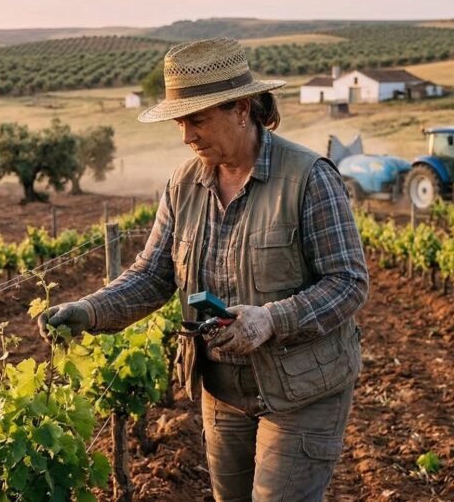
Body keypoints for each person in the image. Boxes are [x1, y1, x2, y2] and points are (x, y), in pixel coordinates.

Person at [38, 37, 368, 502]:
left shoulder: (309, 178)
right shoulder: (183, 183)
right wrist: (89, 311)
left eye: (197, 119)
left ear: (242, 109)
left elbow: (349, 283)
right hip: (223, 389)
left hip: (302, 390)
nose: (186, 135)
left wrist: (270, 320)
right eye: (180, 121)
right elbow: (151, 274)